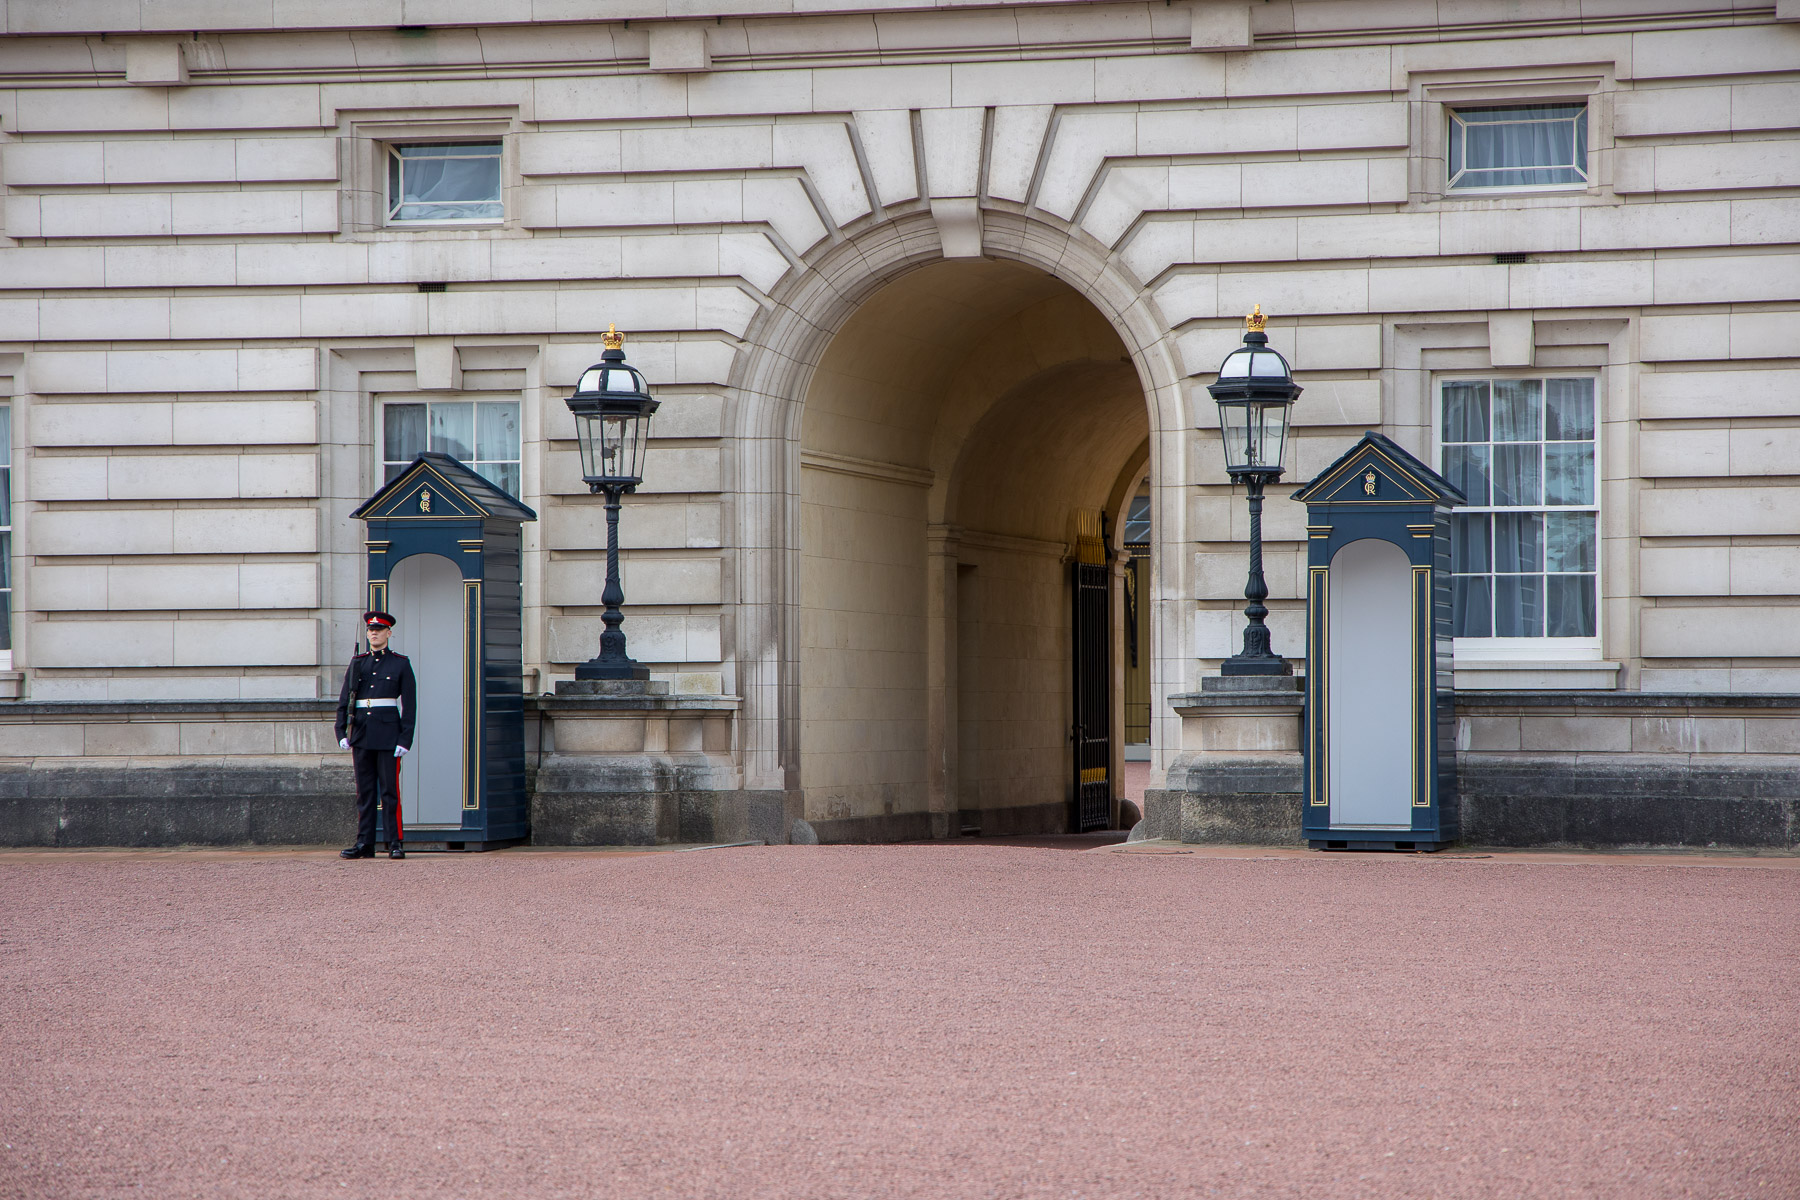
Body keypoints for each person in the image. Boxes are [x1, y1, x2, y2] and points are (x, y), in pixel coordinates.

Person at [334, 610, 417, 860]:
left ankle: (394, 842)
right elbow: (345, 700)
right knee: (365, 792)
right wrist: (341, 731)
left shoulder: (400, 663)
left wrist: (405, 739)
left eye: (379, 630)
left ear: (388, 633)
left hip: (388, 735)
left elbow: (409, 706)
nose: (374, 634)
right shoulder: (358, 662)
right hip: (361, 733)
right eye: (371, 630)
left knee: (390, 792)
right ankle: (364, 843)